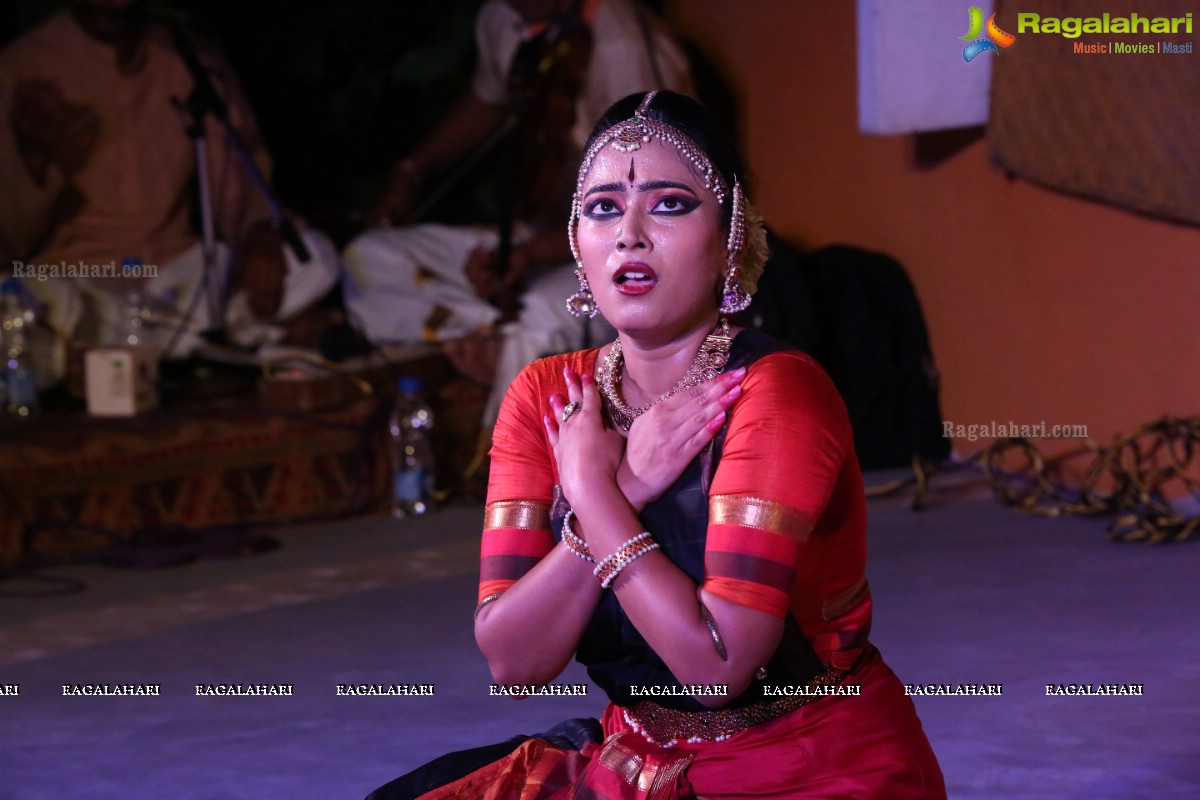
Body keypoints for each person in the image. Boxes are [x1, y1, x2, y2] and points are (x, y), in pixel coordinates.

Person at [367, 90, 947, 798]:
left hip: (805, 769)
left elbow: (717, 670)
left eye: (669, 204)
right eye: (604, 207)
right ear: (578, 243)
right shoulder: (549, 396)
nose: (629, 235)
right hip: (635, 764)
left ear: (731, 236)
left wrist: (594, 493)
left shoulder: (773, 393)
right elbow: (513, 661)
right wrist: (627, 487)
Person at [342, 0, 692, 424]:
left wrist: (528, 256)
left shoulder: (622, 43)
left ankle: (510, 473)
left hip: (626, 258)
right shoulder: (503, 17)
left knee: (539, 321)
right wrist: (411, 171)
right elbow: (489, 97)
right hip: (539, 235)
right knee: (369, 257)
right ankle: (491, 333)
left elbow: (646, 204)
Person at [0, 0, 340, 364]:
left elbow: (241, 189)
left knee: (311, 256)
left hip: (176, 279)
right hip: (81, 282)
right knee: (27, 306)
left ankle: (180, 341)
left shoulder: (188, 55)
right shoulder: (22, 65)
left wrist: (262, 232)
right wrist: (34, 168)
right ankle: (230, 338)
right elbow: (9, 244)